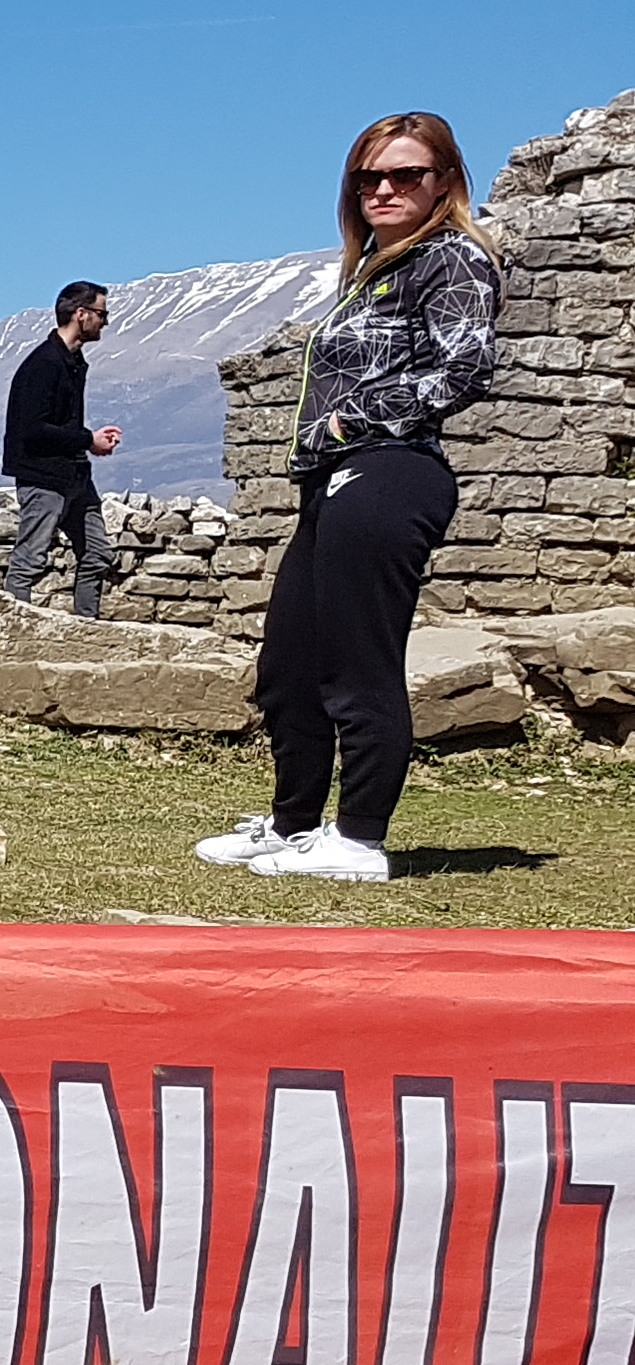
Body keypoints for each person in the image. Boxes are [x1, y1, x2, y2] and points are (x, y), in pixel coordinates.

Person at [194, 112, 503, 886]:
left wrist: (350, 419)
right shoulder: (373, 268)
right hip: (335, 479)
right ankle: (294, 825)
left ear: (446, 182)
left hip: (391, 472)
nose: (383, 189)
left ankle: (360, 839)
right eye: (369, 177)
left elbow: (464, 368)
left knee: (357, 663)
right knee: (289, 665)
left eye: (405, 174)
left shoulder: (454, 257)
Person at [3, 281, 123, 617]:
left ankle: (87, 628)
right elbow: (32, 430)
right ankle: (13, 631)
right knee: (29, 560)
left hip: (74, 475)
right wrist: (88, 440)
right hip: (43, 477)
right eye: (101, 314)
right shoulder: (43, 364)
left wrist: (89, 443)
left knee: (97, 553)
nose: (105, 322)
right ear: (81, 314)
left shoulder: (72, 362)